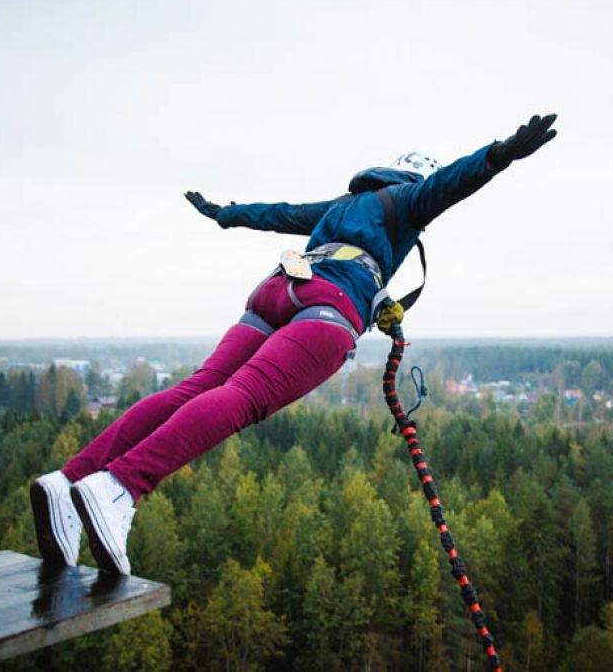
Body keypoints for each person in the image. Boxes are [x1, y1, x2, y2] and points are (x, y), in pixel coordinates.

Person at [30, 114, 558, 574]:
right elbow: (453, 184)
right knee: (243, 398)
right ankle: (120, 486)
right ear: (417, 177)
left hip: (275, 291)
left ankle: (68, 479)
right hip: (326, 309)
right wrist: (501, 154)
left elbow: (277, 213)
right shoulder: (410, 199)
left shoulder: (346, 203)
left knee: (201, 387)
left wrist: (224, 213)